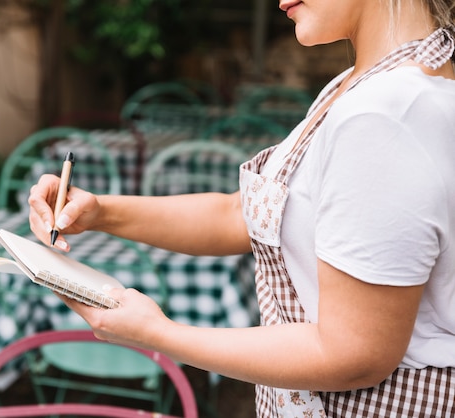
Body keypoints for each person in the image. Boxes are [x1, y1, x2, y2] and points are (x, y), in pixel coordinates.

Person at [28, 0, 455, 416]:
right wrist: (101, 211)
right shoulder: (365, 86)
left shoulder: (385, 115)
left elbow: (352, 354)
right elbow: (241, 215)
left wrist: (158, 333)